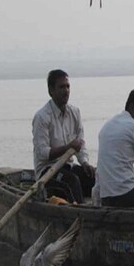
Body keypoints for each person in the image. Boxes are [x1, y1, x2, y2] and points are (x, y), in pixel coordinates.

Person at [32, 69, 95, 203]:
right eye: (61, 87)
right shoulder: (42, 117)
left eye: (68, 86)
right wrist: (68, 147)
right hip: (47, 173)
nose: (66, 90)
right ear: (51, 91)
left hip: (67, 167)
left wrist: (84, 162)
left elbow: (80, 143)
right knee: (72, 182)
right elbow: (43, 153)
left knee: (95, 177)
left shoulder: (75, 112)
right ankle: (80, 215)